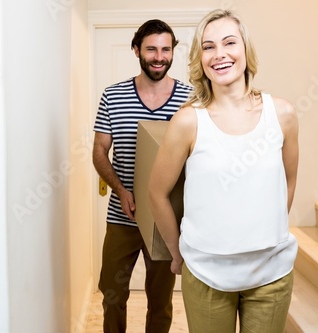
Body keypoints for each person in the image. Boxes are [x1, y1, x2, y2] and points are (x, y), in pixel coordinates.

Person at [148, 9, 299, 333]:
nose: (219, 54)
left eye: (229, 42)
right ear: (199, 58)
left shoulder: (282, 114)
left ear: (245, 48)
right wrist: (177, 253)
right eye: (208, 46)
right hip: (206, 275)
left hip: (271, 275)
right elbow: (156, 193)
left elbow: (287, 180)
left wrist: (265, 232)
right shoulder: (188, 121)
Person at [92, 19, 192, 332]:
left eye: (166, 49)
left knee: (161, 300)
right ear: (137, 50)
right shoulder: (113, 96)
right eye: (151, 49)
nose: (159, 56)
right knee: (112, 294)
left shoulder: (190, 100)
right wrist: (121, 191)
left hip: (167, 219)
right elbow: (99, 152)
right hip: (123, 216)